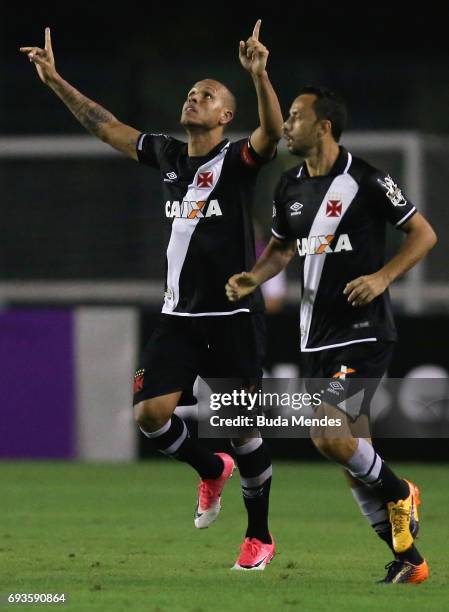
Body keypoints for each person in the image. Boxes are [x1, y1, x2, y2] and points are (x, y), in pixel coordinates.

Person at [21, 21, 283, 570]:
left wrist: (258, 75)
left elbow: (272, 135)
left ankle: (259, 535)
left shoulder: (235, 163)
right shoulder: (166, 155)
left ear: (225, 116)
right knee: (149, 414)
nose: (194, 98)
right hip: (179, 318)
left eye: (207, 95)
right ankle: (210, 472)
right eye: (191, 93)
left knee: (243, 432)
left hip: (233, 317)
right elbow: (106, 127)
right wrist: (55, 81)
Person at [226, 86, 437, 583]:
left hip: (362, 332)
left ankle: (402, 490)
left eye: (296, 117)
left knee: (326, 433)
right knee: (352, 458)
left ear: (323, 126)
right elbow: (280, 250)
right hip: (314, 338)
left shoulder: (367, 178)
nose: (287, 125)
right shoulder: (289, 187)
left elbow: (423, 233)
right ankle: (410, 560)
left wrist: (383, 277)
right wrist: (255, 277)